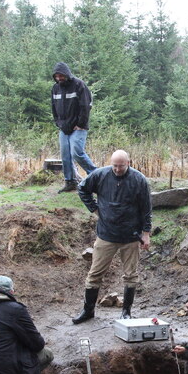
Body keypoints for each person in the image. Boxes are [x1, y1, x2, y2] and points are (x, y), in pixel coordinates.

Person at [72, 149, 152, 324]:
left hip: (131, 236)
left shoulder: (139, 180)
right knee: (94, 274)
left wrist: (146, 234)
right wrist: (94, 208)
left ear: (128, 163)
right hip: (106, 234)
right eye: (114, 166)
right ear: (111, 163)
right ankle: (88, 311)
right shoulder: (100, 175)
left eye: (121, 166)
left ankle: (126, 312)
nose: (117, 169)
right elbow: (82, 189)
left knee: (131, 275)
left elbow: (146, 208)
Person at [52, 62, 97, 193]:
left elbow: (86, 105)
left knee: (76, 152)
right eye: (57, 76)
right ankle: (70, 182)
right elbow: (54, 107)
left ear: (66, 74)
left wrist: (81, 124)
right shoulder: (55, 88)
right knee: (65, 156)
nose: (59, 78)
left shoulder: (78, 85)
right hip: (63, 128)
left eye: (61, 75)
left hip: (78, 127)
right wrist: (58, 123)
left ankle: (97, 176)